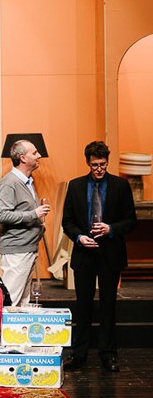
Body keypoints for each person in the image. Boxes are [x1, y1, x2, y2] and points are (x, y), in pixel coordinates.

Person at [62, 141, 136, 372]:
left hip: (110, 253)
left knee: (108, 306)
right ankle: (79, 354)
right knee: (82, 306)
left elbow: (130, 220)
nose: (99, 169)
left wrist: (110, 229)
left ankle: (108, 354)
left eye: (103, 164)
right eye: (95, 165)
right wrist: (79, 237)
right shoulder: (75, 186)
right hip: (84, 253)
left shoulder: (120, 186)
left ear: (107, 162)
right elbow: (67, 222)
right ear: (88, 162)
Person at [0, 139, 50, 306]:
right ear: (23, 158)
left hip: (27, 249)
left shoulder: (28, 181)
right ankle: (0, 325)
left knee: (21, 304)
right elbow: (1, 215)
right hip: (17, 251)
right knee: (10, 303)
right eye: (35, 153)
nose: (39, 155)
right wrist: (34, 214)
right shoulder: (10, 182)